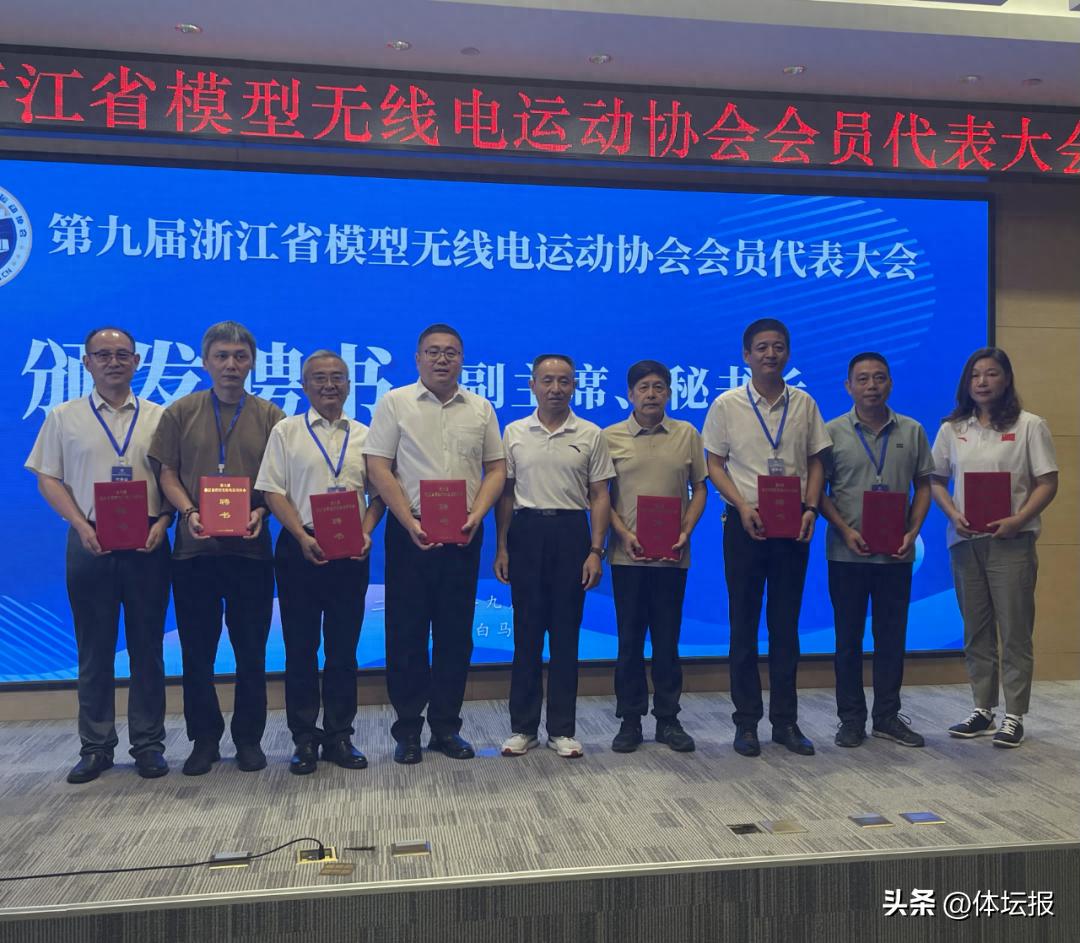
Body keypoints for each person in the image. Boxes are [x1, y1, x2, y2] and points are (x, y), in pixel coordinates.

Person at [25, 327, 173, 783]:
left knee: (148, 648)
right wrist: (80, 523)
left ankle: (148, 744)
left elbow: (174, 479)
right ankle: (96, 746)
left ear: (137, 362)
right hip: (90, 539)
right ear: (86, 362)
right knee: (94, 649)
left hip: (149, 541)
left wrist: (165, 521)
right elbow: (48, 477)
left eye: (122, 354)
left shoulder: (160, 417)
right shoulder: (63, 417)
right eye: (103, 354)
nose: (113, 362)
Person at [363, 324, 505, 764]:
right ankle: (407, 729)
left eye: (451, 352)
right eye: (433, 352)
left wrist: (478, 514)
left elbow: (496, 468)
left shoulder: (480, 408)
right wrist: (407, 520)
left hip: (464, 532)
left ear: (462, 359)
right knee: (405, 633)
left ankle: (446, 727)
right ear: (418, 358)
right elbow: (378, 466)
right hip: (411, 532)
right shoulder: (395, 402)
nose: (442, 359)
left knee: (455, 635)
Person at [149, 321, 285, 776]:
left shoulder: (271, 416)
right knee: (196, 652)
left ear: (252, 363)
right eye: (222, 356)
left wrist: (260, 511)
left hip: (251, 551)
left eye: (240, 357)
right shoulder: (180, 412)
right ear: (206, 361)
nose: (231, 365)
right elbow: (167, 473)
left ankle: (249, 739)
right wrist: (188, 511)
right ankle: (204, 740)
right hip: (194, 552)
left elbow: (278, 482)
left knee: (252, 652)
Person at [703, 318, 831, 757]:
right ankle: (746, 723)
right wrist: (742, 505)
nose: (770, 354)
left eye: (778, 347)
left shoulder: (805, 403)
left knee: (785, 626)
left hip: (793, 524)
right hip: (745, 524)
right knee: (743, 625)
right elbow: (714, 464)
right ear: (746, 355)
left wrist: (811, 508)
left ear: (788, 353)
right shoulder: (727, 404)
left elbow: (816, 461)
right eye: (761, 347)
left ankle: (786, 722)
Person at [256, 351, 386, 775]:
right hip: (301, 548)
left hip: (351, 551)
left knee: (343, 649)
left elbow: (380, 494)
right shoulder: (286, 431)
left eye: (337, 378)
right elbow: (272, 491)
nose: (329, 385)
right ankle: (304, 738)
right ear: (304, 385)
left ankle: (339, 735)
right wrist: (301, 535)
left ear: (349, 385)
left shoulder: (367, 435)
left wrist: (366, 531)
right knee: (300, 648)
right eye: (319, 378)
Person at [930, 347, 1057, 748]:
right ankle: (982, 709)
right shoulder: (952, 428)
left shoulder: (1030, 425)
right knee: (976, 630)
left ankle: (1014, 714)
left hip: (1012, 541)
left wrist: (1019, 519)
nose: (982, 382)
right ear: (966, 383)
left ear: (1006, 379)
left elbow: (1047, 482)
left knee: (1015, 630)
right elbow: (935, 480)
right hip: (965, 542)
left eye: (991, 374)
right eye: (975, 375)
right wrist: (953, 514)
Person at [494, 354, 614, 759]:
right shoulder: (513, 432)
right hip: (527, 532)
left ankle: (562, 729)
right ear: (532, 385)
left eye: (564, 381)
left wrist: (595, 550)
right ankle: (523, 728)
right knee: (526, 635)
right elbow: (506, 495)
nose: (555, 388)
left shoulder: (591, 433)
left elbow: (600, 495)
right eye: (547, 380)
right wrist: (502, 546)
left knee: (565, 635)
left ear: (575, 386)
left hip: (571, 533)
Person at [819, 352, 934, 749]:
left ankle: (887, 716)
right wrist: (843, 529)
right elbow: (818, 491)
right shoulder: (830, 432)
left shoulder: (912, 430)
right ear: (848, 386)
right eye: (863, 379)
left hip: (896, 554)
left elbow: (924, 485)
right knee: (847, 640)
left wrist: (913, 530)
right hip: (847, 553)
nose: (872, 386)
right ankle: (851, 719)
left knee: (891, 638)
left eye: (879, 378)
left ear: (890, 383)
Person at [603, 360, 707, 754]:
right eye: (643, 387)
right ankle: (629, 720)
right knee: (629, 641)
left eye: (659, 387)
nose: (651, 394)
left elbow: (700, 489)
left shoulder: (687, 434)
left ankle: (668, 719)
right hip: (627, 556)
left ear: (669, 393)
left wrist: (685, 531)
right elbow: (600, 496)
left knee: (667, 640)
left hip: (672, 556)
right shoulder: (609, 436)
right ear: (630, 394)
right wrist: (622, 533)